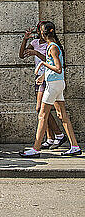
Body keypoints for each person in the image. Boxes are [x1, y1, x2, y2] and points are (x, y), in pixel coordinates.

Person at [20, 22, 81, 157]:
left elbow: (58, 68)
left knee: (42, 115)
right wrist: (43, 75)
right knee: (62, 115)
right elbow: (55, 67)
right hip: (57, 83)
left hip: (53, 85)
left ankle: (35, 149)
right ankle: (75, 146)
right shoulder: (53, 46)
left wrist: (42, 63)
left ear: (43, 33)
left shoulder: (52, 47)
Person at [19, 21, 65, 149]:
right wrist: (25, 39)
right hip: (39, 77)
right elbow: (22, 55)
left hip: (49, 78)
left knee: (41, 109)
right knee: (44, 110)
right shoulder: (35, 43)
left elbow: (51, 61)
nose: (40, 32)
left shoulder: (52, 45)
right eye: (39, 29)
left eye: (41, 29)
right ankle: (50, 138)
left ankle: (59, 135)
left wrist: (37, 54)